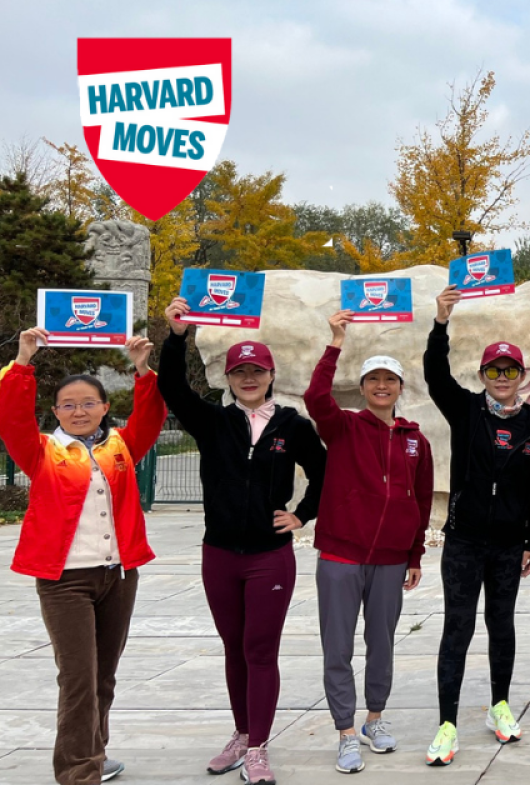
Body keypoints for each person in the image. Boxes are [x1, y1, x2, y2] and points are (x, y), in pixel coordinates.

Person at [159, 298, 327, 785]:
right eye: (239, 372)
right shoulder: (213, 422)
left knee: (260, 648)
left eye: (257, 370)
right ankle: (240, 732)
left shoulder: (292, 426)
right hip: (219, 555)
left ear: (271, 374)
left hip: (269, 557)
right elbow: (172, 387)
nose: (248, 378)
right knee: (233, 646)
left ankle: (258, 748)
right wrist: (176, 336)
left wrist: (301, 515)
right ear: (229, 379)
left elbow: (322, 472)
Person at [0, 328, 165, 785]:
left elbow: (151, 415)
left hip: (118, 575)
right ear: (55, 412)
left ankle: (95, 752)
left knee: (103, 677)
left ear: (104, 407)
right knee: (78, 680)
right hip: (65, 581)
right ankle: (78, 772)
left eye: (88, 403)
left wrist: (142, 369)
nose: (79, 411)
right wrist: (24, 361)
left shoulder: (121, 448)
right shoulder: (42, 451)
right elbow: (11, 418)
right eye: (68, 405)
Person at [422, 286, 530, 765]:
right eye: (494, 370)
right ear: (483, 375)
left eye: (510, 370)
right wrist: (440, 324)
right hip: (464, 541)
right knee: (457, 628)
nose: (502, 377)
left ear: (521, 376)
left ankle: (500, 705)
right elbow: (435, 376)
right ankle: (447, 724)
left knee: (502, 625)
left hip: (507, 546)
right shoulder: (466, 410)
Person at [304, 310, 433, 775]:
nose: (382, 386)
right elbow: (315, 397)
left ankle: (374, 720)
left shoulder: (415, 440)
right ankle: (344, 730)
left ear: (400, 387)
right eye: (373, 379)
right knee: (337, 647)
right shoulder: (343, 427)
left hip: (391, 561)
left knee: (382, 643)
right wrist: (335, 343)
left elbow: (420, 500)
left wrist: (415, 554)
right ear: (362, 387)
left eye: (390, 379)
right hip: (341, 555)